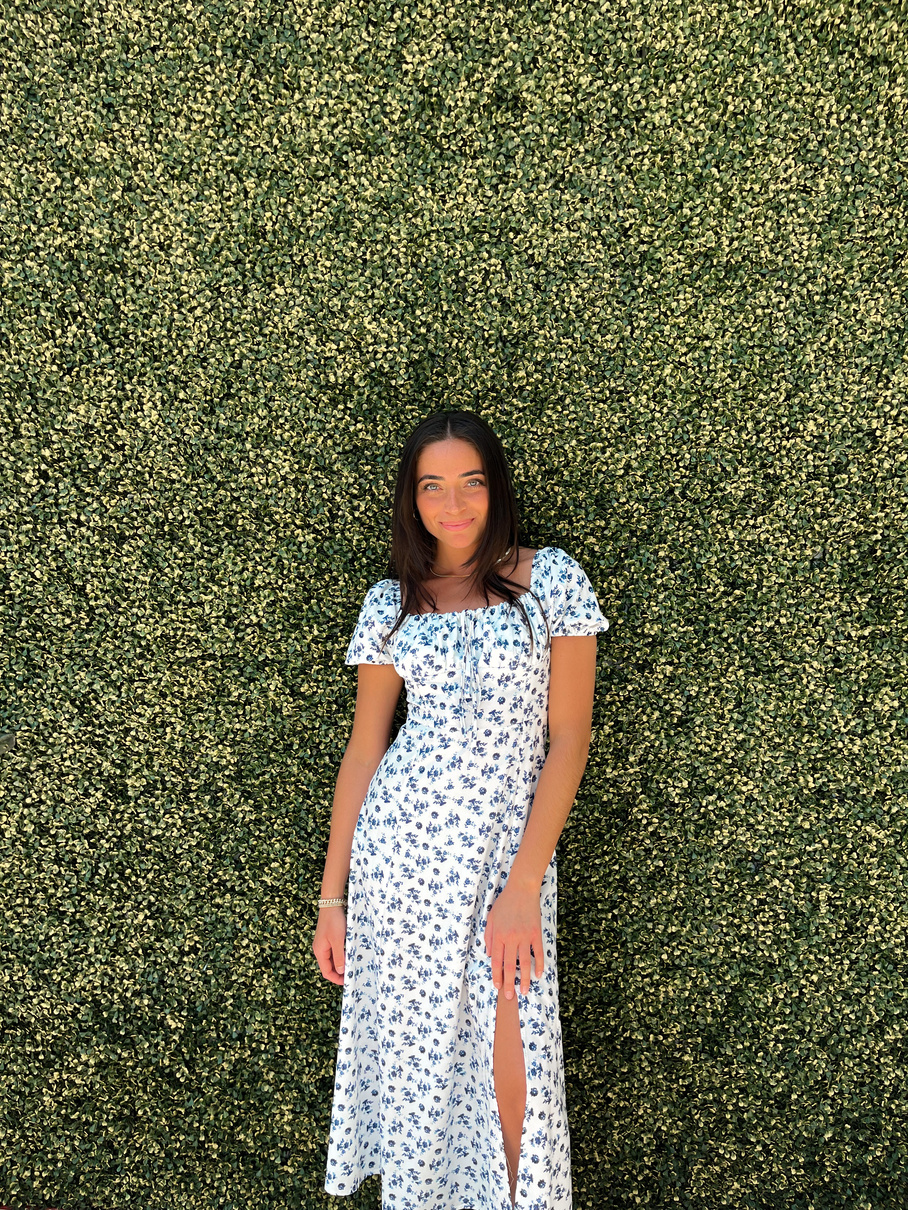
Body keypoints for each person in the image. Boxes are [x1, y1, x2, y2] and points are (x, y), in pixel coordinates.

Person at [312, 410, 610, 1210]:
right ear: (411, 499)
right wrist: (333, 900)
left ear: (495, 487)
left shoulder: (551, 580)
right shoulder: (392, 603)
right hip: (402, 859)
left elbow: (570, 739)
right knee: (419, 1060)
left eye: (471, 482)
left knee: (514, 1039)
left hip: (509, 854)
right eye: (432, 486)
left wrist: (524, 885)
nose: (453, 504)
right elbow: (365, 752)